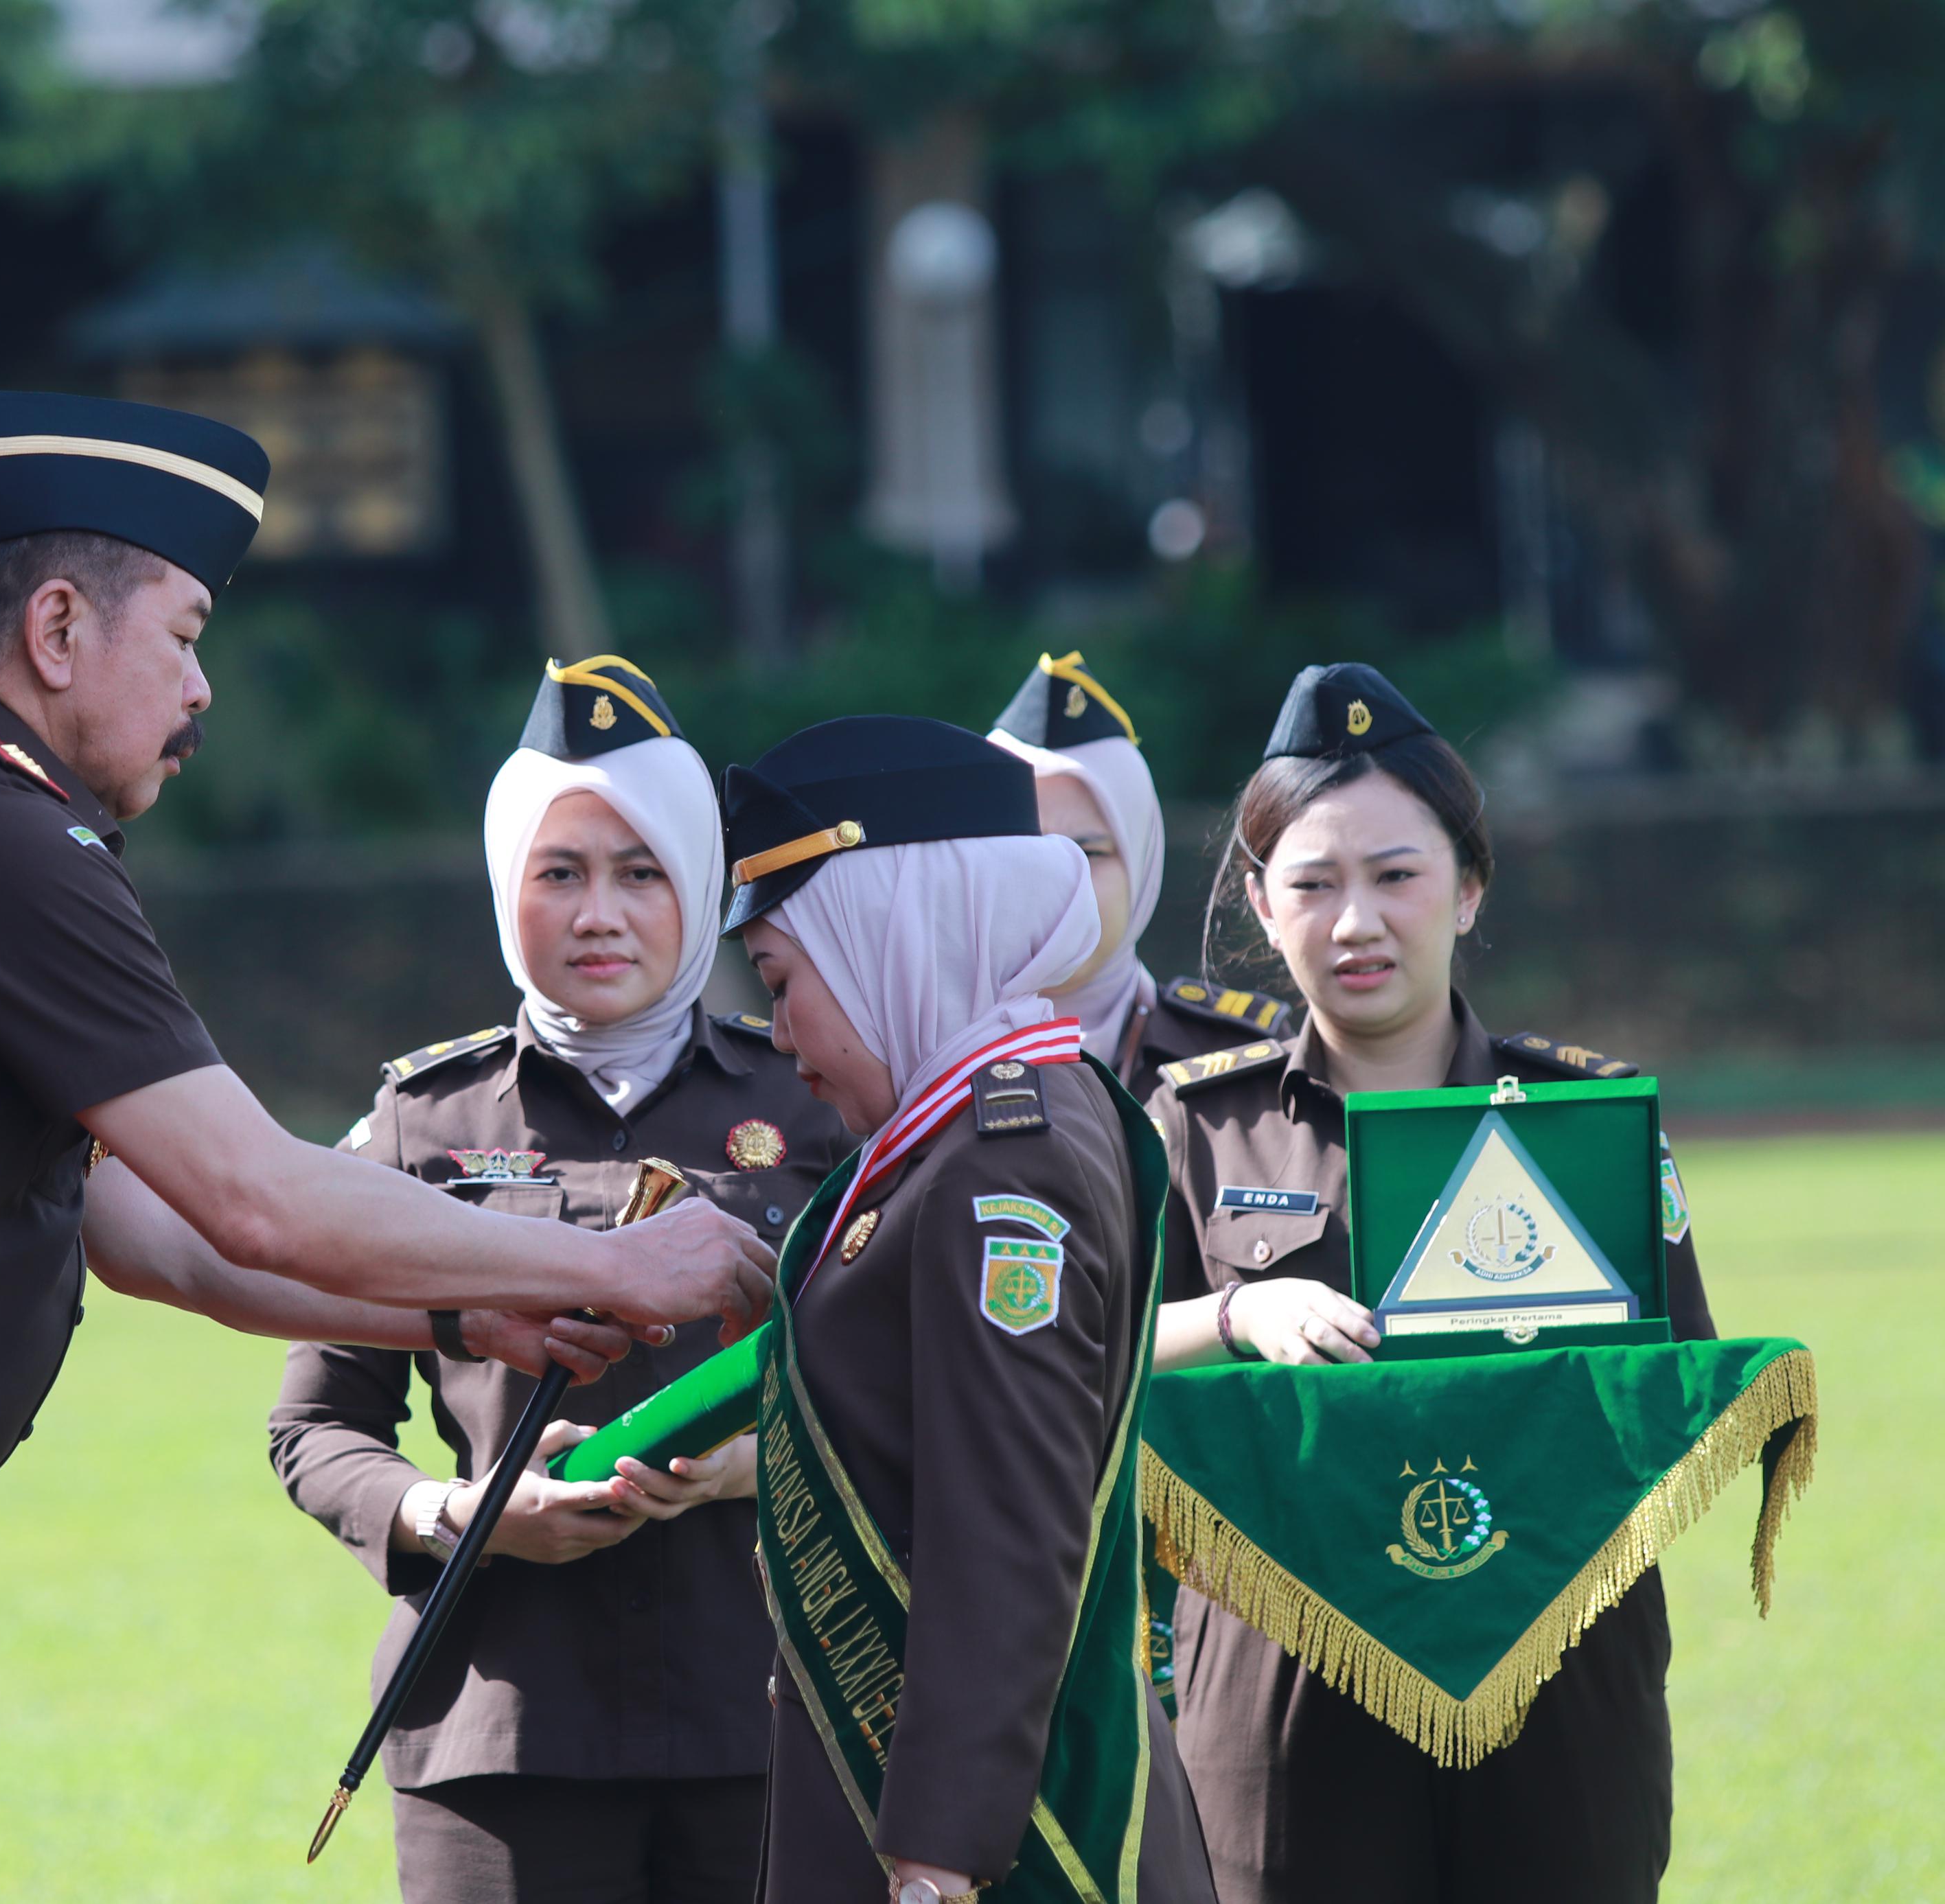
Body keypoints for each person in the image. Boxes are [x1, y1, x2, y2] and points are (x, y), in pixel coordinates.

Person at [0, 391, 776, 1904]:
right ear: (56, 628)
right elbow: (251, 1191)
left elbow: (156, 1235)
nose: (201, 685)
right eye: (180, 634)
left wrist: (464, 1311)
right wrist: (620, 1262)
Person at [270, 656, 851, 1904]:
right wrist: (462, 1510)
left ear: (701, 880)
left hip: (767, 1718)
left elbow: (899, 1382)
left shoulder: (811, 1101)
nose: (601, 913)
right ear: (504, 886)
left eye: (642, 871)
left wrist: (764, 1459)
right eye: (560, 871)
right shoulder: (422, 1119)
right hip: (499, 1734)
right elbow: (315, 1425)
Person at [1141, 662, 1716, 1904]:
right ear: (1259, 899)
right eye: (1313, 881)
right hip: (1283, 1686)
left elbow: (1672, 1391)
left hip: (1554, 1673)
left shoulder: (1582, 1122)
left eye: (1395, 875)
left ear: (1469, 886)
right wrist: (1236, 1313)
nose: (1356, 921)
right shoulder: (1196, 1128)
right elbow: (1085, 1364)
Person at [721, 716, 1216, 1904]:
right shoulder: (998, 1115)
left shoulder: (1002, 1158)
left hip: (989, 1841)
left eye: (785, 981)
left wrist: (940, 1852)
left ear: (890, 934)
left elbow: (1006, 1523)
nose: (780, 1032)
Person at [989, 649, 1292, 1096]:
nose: (1055, 885)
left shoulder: (1245, 1054)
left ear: (1142, 865)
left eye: (1087, 853)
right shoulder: (908, 1064)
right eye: (1021, 854)